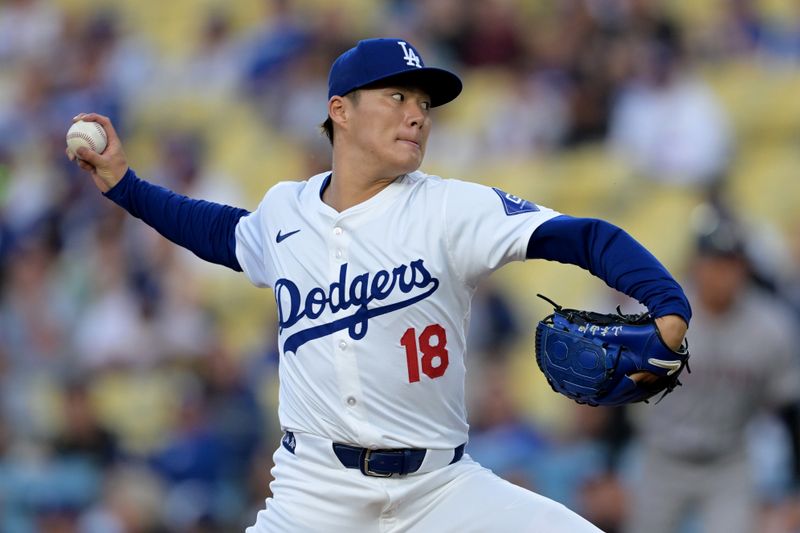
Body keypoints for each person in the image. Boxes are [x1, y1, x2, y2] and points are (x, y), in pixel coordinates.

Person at [68, 38, 690, 532]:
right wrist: (126, 185)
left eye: (424, 104)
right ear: (339, 110)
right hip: (315, 494)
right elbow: (219, 232)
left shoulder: (452, 209)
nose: (417, 114)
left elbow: (583, 236)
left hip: (440, 491)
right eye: (397, 97)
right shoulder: (286, 211)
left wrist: (668, 304)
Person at [624, 213, 800, 533]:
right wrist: (610, 462)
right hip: (662, 458)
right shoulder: (655, 317)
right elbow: (619, 391)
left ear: (744, 268)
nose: (722, 274)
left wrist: (794, 486)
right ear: (695, 264)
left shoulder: (770, 327)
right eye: (713, 262)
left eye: (730, 263)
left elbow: (789, 410)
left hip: (728, 461)